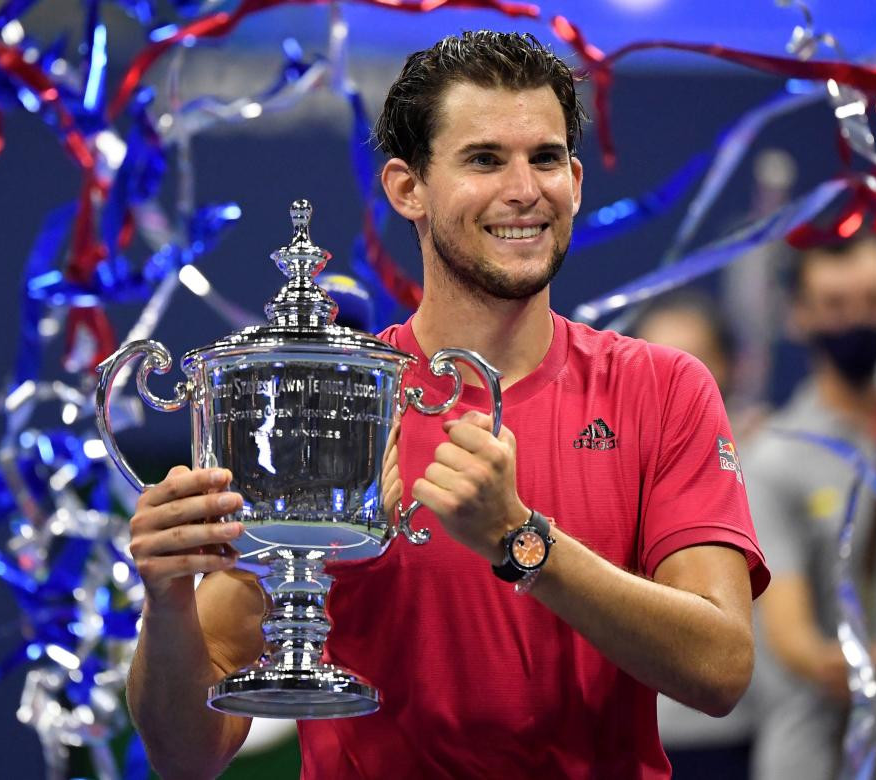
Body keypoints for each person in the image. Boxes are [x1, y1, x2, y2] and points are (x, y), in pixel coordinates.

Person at [124, 31, 768, 779]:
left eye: (547, 158)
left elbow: (721, 668)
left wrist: (521, 541)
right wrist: (167, 599)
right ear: (408, 189)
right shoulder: (329, 401)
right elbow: (186, 755)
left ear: (578, 181)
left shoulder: (662, 389)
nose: (525, 189)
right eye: (485, 159)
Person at [743, 234, 876, 780]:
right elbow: (785, 622)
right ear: (800, 316)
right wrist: (825, 659)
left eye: (875, 302)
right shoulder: (774, 458)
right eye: (835, 305)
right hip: (823, 759)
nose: (857, 319)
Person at [630, 291, 760, 779]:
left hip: (734, 735)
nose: (673, 383)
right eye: (659, 362)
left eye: (692, 363)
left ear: (727, 367)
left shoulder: (763, 462)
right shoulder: (602, 463)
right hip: (638, 737)